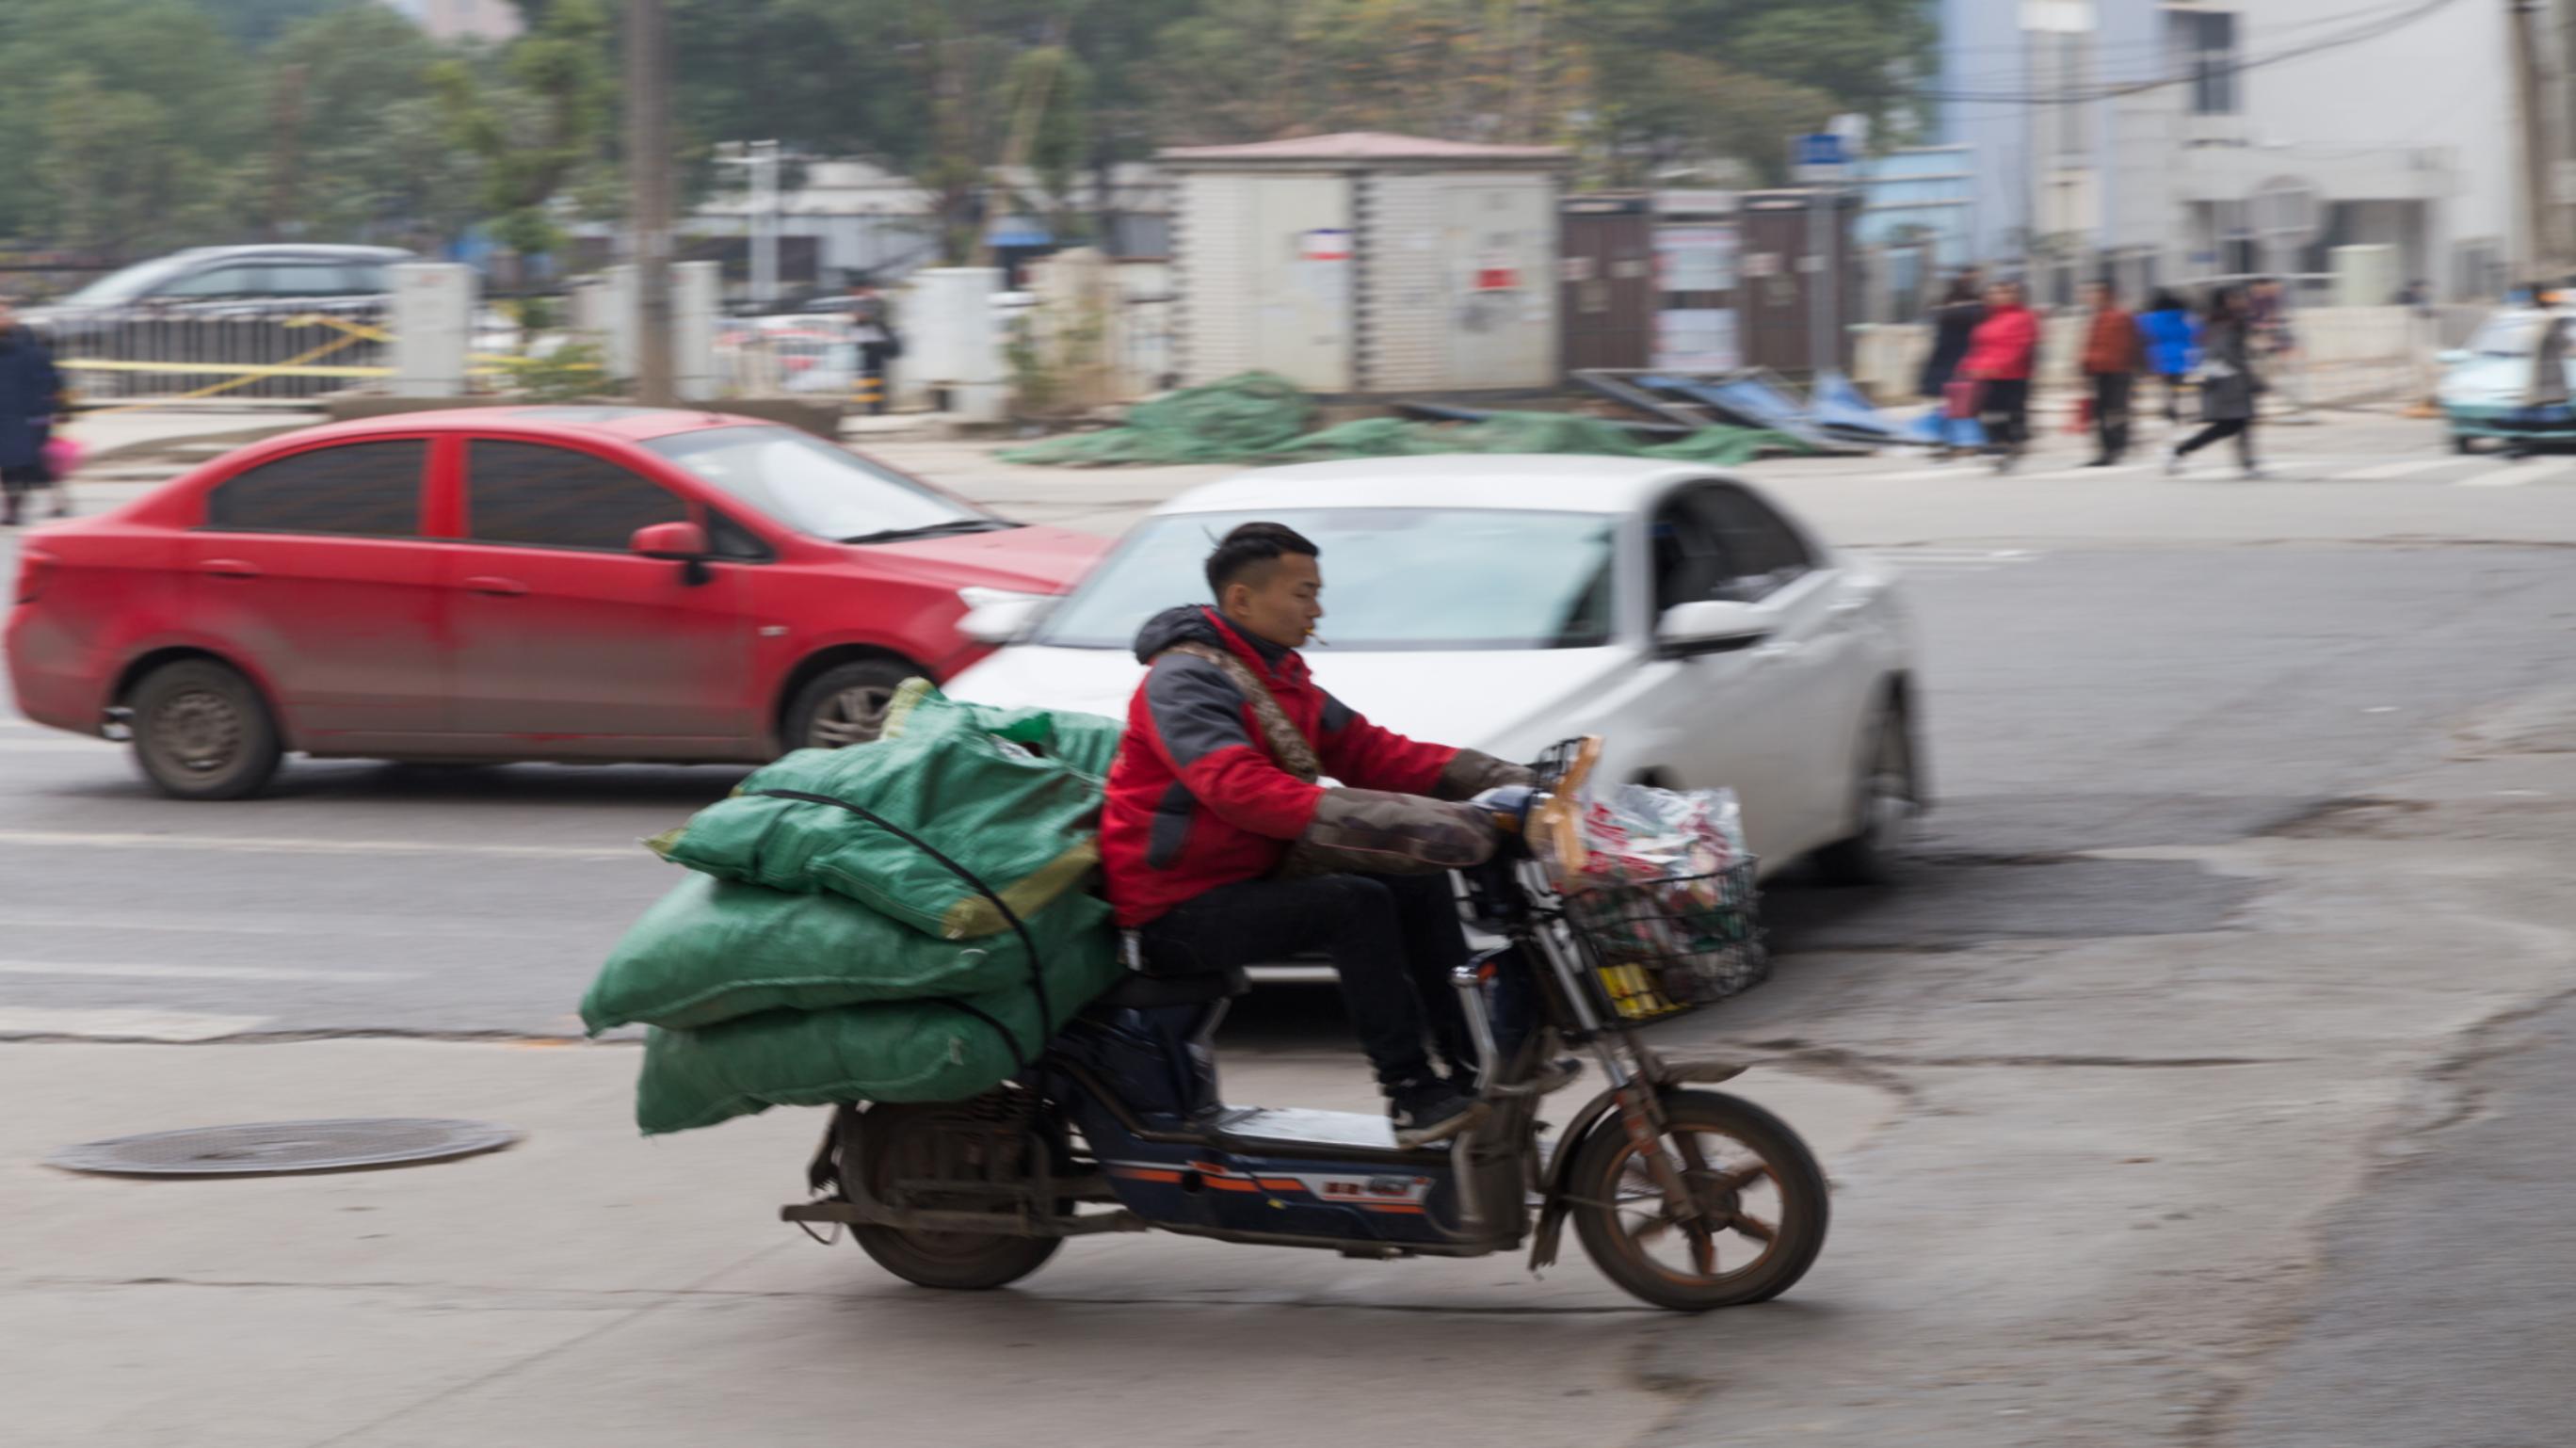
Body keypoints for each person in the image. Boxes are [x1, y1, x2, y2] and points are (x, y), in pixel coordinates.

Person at [1102, 523, 1537, 1144]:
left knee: (1418, 878)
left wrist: (1508, 780)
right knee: (1353, 906)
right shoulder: (1183, 681)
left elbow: (1370, 752)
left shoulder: (1278, 675)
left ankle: (1475, 1067)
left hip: (1251, 875)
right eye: (1303, 593)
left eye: (1317, 593)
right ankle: (1411, 1094)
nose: (1317, 610)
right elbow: (1237, 788)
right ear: (1242, 600)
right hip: (1175, 906)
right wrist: (1398, 820)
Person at [2165, 285, 2265, 478]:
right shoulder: (2220, 323)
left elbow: (2239, 352)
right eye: (2233, 298)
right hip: (2228, 386)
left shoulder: (2232, 321)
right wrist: (2249, 377)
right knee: (2226, 427)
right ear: (2223, 302)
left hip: (2234, 384)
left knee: (2239, 424)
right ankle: (2179, 451)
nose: (2239, 301)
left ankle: (2247, 463)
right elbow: (2224, 354)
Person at [0, 296, 67, 528]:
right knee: (17, 466)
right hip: (13, 416)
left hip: (24, 417)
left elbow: (50, 382)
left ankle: (14, 509)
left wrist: (53, 411)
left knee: (20, 466)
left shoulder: (29, 350)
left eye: (3, 313)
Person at [1960, 279, 2038, 472]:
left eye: (2002, 292)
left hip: (2012, 375)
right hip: (1986, 374)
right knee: (1987, 413)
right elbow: (1978, 346)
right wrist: (1969, 365)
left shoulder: (2022, 317)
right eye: (1992, 293)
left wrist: (1998, 366)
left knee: (2008, 414)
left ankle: (2009, 445)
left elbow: (2020, 346)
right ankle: (2000, 445)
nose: (1997, 297)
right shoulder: (1987, 318)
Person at [1919, 275, 1987, 459]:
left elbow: (1941, 343)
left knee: (1954, 408)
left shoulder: (1946, 314)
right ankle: (1961, 442)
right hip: (1960, 365)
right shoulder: (1976, 312)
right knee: (1963, 408)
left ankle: (1957, 442)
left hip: (1952, 366)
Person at [2079, 281, 2144, 466]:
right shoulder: (2097, 317)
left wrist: (2136, 367)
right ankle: (2109, 449)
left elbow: (2133, 343)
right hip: (2099, 371)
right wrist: (2085, 365)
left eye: (2097, 293)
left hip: (2118, 372)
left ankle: (2116, 447)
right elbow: (2091, 344)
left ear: (2108, 295)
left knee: (2115, 411)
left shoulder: (2121, 316)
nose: (2092, 297)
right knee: (2101, 412)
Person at [2136, 288, 2200, 428]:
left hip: (2159, 356)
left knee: (2166, 385)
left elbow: (2141, 333)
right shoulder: (2184, 316)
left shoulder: (2149, 319)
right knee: (2178, 383)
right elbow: (2196, 332)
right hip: (2182, 354)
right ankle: (2180, 406)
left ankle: (2170, 407)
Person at [845, 278, 900, 415]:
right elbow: (857, 322)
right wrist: (857, 319)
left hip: (878, 344)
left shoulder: (879, 302)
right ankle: (871, 405)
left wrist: (865, 317)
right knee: (868, 375)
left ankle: (877, 407)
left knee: (877, 376)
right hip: (866, 344)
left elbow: (881, 320)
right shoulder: (858, 303)